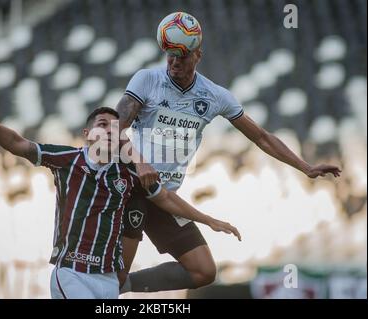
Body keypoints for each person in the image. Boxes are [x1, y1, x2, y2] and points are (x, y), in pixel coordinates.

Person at [117, 12, 342, 294]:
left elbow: (261, 137)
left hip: (165, 198)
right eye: (169, 54)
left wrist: (305, 167)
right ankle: (111, 286)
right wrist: (139, 163)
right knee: (113, 274)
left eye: (182, 55)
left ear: (198, 54)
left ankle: (121, 288)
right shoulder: (147, 80)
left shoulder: (215, 95)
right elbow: (113, 128)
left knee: (203, 270)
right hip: (130, 189)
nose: (174, 61)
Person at [0, 86, 241, 299]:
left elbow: (165, 198)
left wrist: (208, 220)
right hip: (72, 274)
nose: (109, 130)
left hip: (108, 281)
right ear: (87, 133)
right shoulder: (67, 159)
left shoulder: (129, 173)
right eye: (102, 124)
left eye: (114, 126)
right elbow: (17, 144)